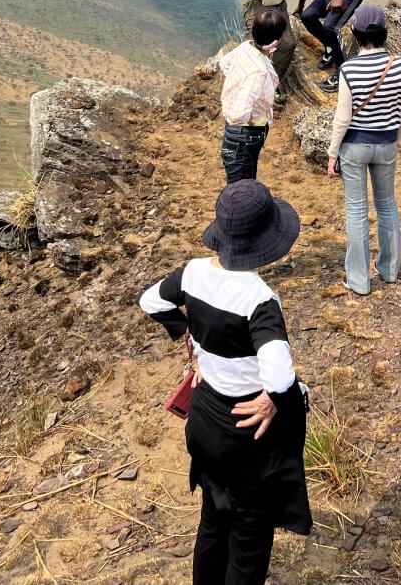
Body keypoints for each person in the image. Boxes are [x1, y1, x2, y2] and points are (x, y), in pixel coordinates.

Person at [139, 180, 311, 585]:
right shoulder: (259, 299)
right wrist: (274, 400)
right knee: (249, 541)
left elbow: (151, 301)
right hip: (244, 435)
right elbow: (279, 373)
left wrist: (191, 338)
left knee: (214, 523)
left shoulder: (193, 272)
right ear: (266, 241)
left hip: (204, 421)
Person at [327, 2, 401, 295]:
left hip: (355, 146)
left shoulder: (349, 69)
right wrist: (394, 140)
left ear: (355, 32)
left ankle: (359, 281)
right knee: (387, 204)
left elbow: (343, 117)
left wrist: (332, 153)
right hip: (386, 143)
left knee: (357, 210)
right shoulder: (399, 64)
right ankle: (389, 269)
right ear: (384, 32)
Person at [218, 8, 287, 183]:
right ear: (275, 42)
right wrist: (256, 108)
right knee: (241, 187)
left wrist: (236, 82)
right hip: (245, 133)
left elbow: (224, 63)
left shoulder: (245, 47)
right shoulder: (259, 70)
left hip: (238, 133)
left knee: (246, 179)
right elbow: (240, 112)